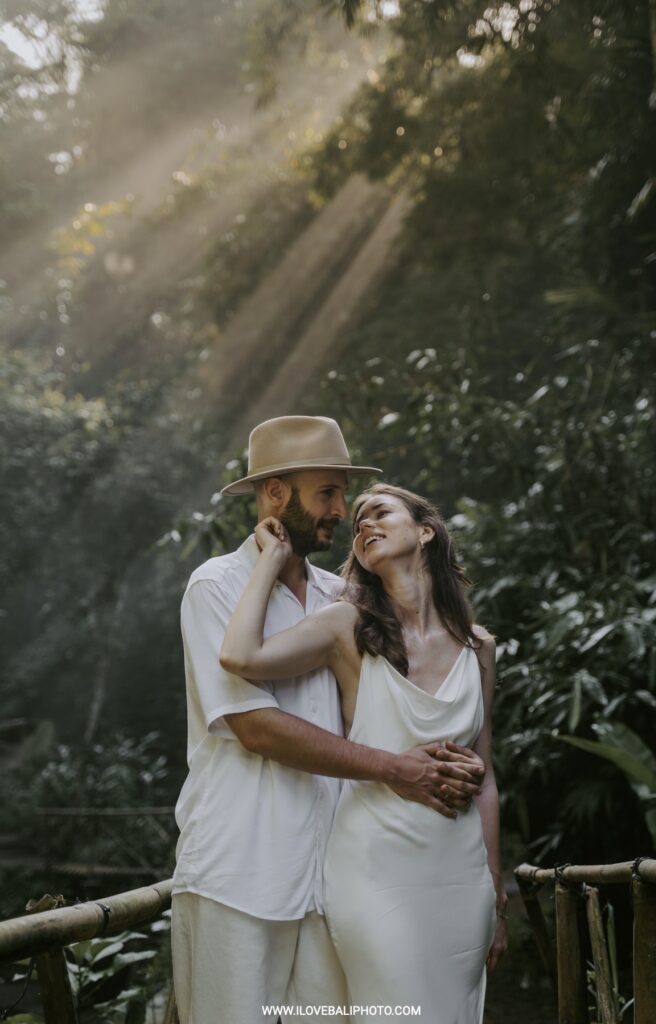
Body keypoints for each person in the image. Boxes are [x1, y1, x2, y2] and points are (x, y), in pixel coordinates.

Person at [171, 416, 488, 1024]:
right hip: (241, 871)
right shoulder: (215, 586)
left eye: (343, 494)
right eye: (328, 493)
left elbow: (390, 703)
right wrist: (395, 768)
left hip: (334, 880)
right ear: (274, 493)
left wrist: (456, 758)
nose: (342, 511)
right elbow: (254, 726)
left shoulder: (343, 600)